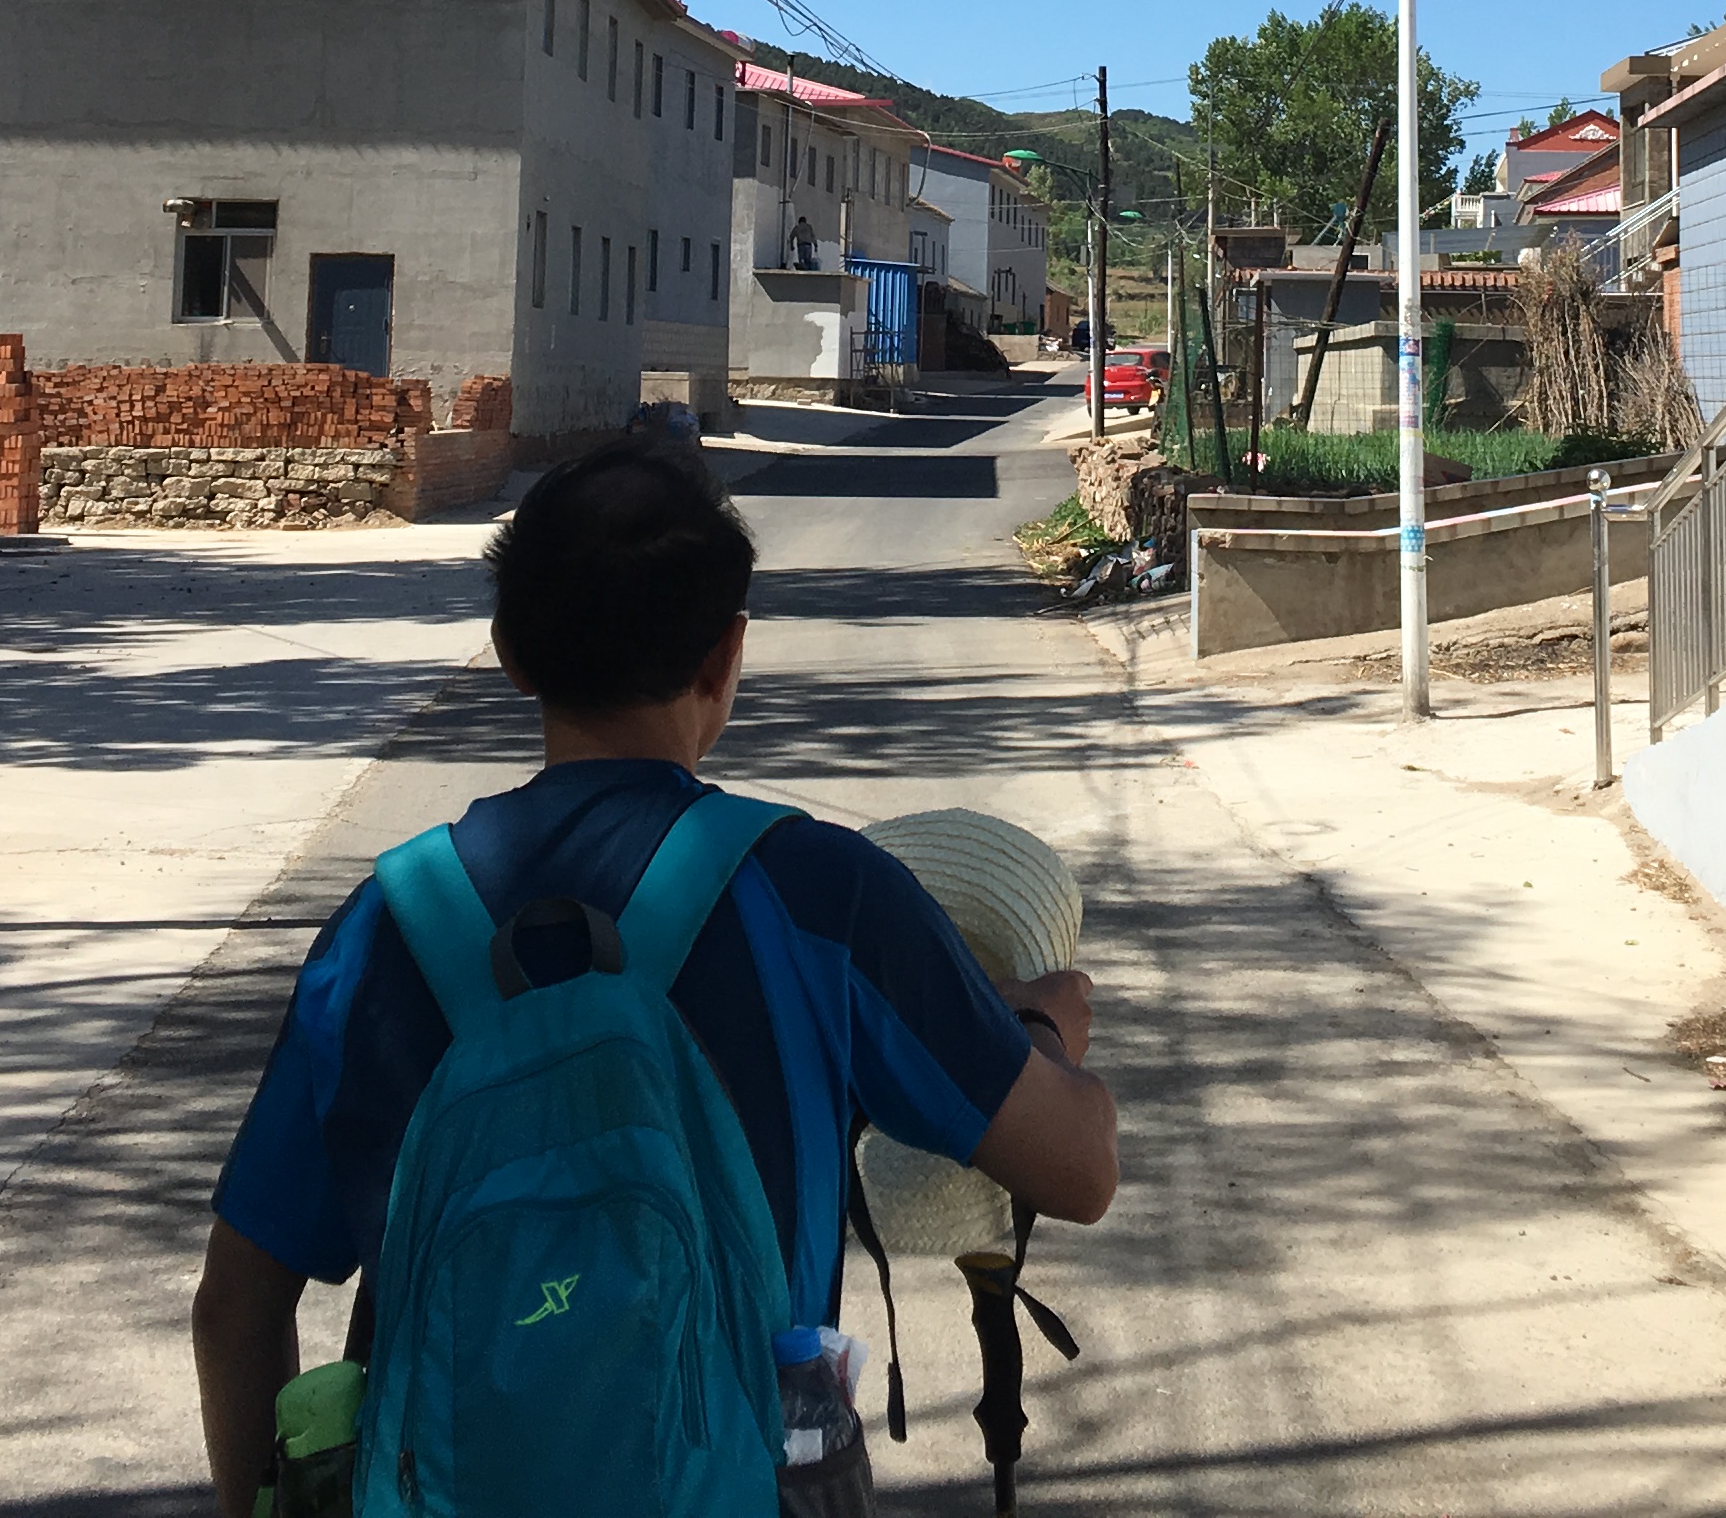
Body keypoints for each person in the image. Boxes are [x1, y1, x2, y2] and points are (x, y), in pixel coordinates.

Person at [191, 436, 1117, 1517]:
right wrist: (1042, 1029)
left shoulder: (384, 929)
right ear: (726, 655)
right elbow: (1077, 1172)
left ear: (510, 651)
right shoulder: (824, 899)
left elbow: (237, 1309)